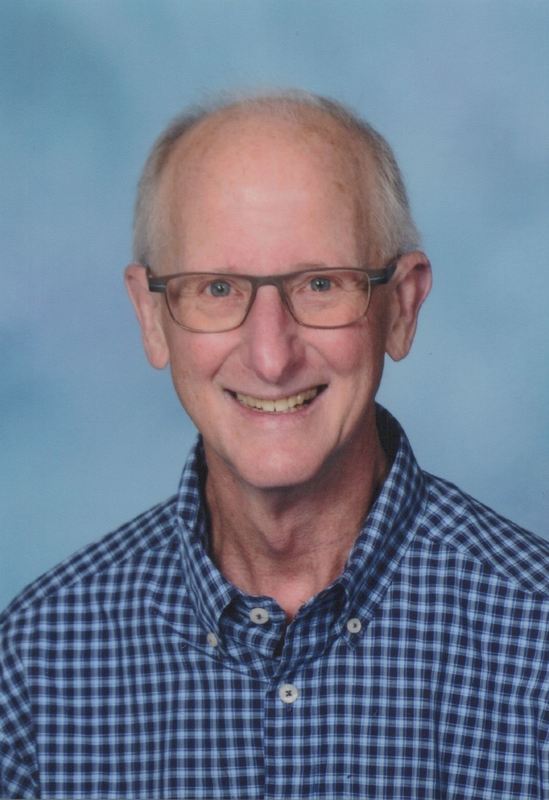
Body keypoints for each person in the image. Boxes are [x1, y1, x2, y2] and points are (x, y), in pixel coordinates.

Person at [1, 91, 548, 800]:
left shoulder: (536, 642)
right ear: (152, 317)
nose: (270, 357)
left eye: (320, 284)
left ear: (402, 306)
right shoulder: (37, 665)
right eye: (217, 288)